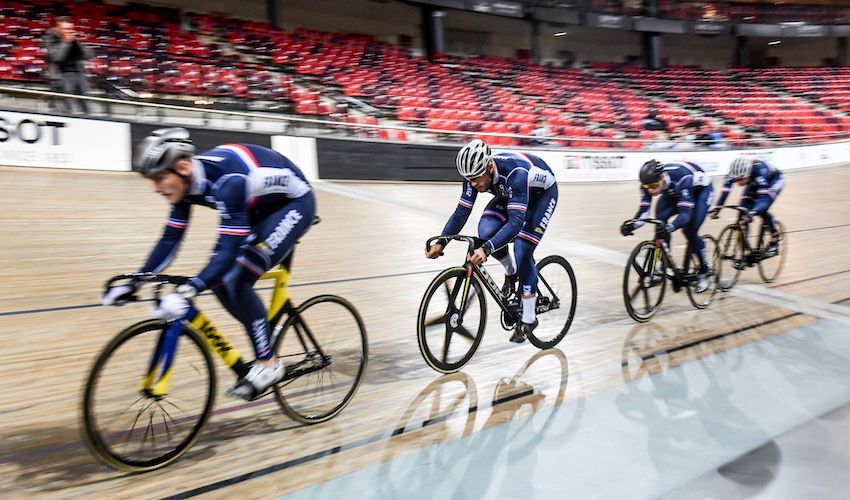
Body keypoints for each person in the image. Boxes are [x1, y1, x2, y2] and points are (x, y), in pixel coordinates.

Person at [101, 128, 317, 400]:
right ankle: (260, 326)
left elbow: (227, 256)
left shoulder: (228, 183)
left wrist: (190, 290)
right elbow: (170, 239)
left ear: (182, 166)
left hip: (293, 205)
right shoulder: (185, 184)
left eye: (159, 178)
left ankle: (269, 363)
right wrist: (136, 281)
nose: (156, 188)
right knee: (218, 282)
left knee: (236, 277)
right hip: (257, 206)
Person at [426, 139, 558, 343]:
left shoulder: (516, 173)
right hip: (512, 194)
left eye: (476, 179)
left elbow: (515, 222)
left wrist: (486, 249)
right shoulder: (474, 174)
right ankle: (511, 271)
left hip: (541, 196)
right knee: (486, 230)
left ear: (489, 166)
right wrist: (441, 242)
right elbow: (461, 213)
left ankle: (529, 318)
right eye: (468, 179)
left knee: (523, 248)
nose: (473, 184)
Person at [620, 159, 714, 292]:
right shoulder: (648, 183)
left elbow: (685, 215)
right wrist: (632, 225)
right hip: (674, 193)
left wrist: (670, 227)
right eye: (647, 187)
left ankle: (705, 270)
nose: (651, 191)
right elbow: (644, 212)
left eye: (653, 185)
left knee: (689, 230)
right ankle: (663, 263)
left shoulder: (683, 178)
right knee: (660, 221)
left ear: (662, 177)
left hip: (700, 193)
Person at [709, 156, 783, 254]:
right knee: (743, 208)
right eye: (736, 180)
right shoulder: (733, 174)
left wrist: (753, 212)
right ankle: (745, 242)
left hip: (773, 180)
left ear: (748, 174)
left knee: (761, 208)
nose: (738, 182)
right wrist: (717, 208)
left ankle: (774, 234)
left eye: (741, 180)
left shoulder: (760, 172)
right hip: (753, 182)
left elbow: (763, 200)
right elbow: (725, 193)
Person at [43, 16, 93, 114]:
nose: (69, 31)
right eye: (66, 29)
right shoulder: (49, 39)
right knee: (69, 106)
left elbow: (88, 55)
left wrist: (77, 43)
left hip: (79, 74)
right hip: (62, 76)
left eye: (70, 29)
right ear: (57, 28)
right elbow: (57, 57)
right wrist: (66, 42)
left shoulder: (74, 39)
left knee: (86, 104)